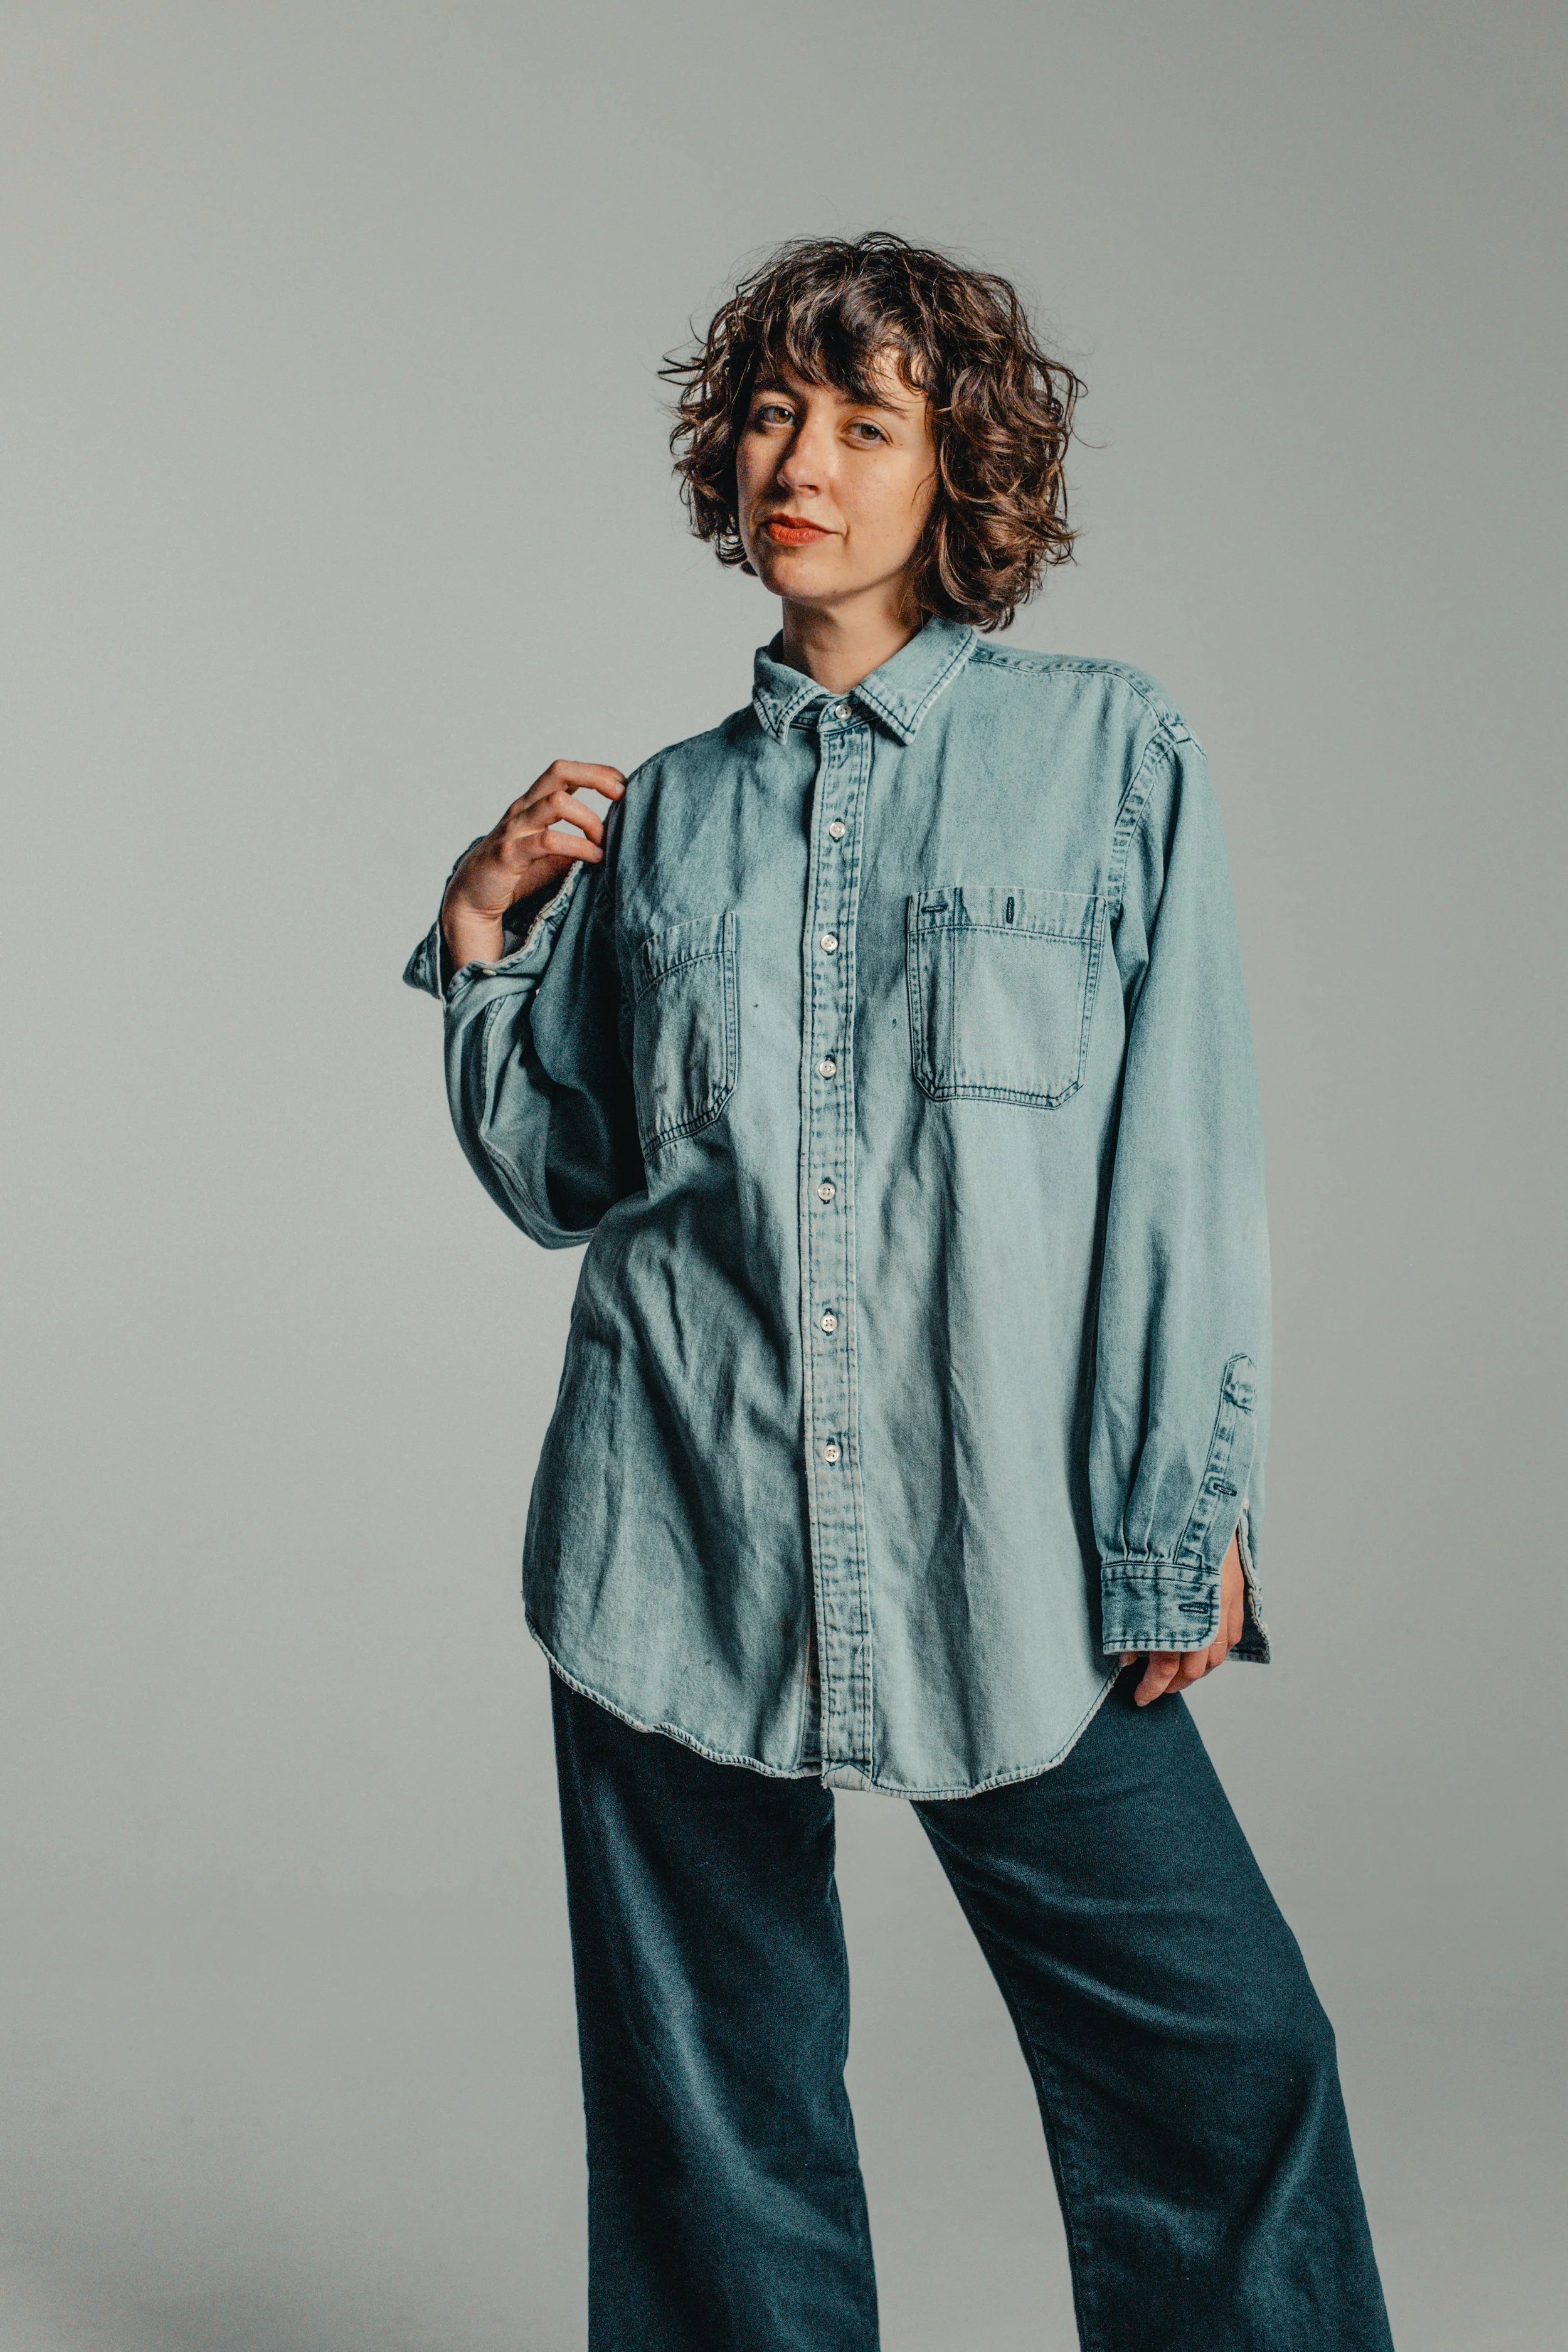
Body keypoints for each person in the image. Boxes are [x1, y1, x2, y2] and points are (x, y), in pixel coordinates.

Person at [405, 231, 1393, 2351]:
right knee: (715, 2128)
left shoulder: (1108, 752)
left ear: (962, 470)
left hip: (1007, 1546)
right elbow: (570, 1175)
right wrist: (483, 940)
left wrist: (1178, 1511)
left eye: (868, 420)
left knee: (1225, 2063)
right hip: (676, 1530)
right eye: (773, 409)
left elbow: (1181, 1171)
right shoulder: (657, 819)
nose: (805, 459)